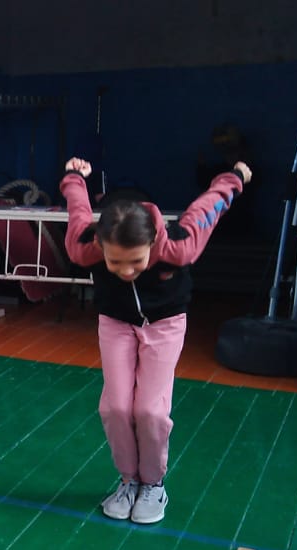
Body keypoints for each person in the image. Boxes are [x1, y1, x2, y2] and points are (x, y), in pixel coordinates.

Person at [61, 156, 251, 524]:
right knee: (115, 408)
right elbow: (78, 209)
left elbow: (207, 208)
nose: (126, 271)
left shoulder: (178, 245)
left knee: (150, 410)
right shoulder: (86, 246)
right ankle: (129, 481)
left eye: (136, 261)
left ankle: (153, 484)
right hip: (116, 322)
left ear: (152, 242)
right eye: (115, 263)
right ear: (101, 246)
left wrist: (235, 177)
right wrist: (74, 177)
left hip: (164, 324)